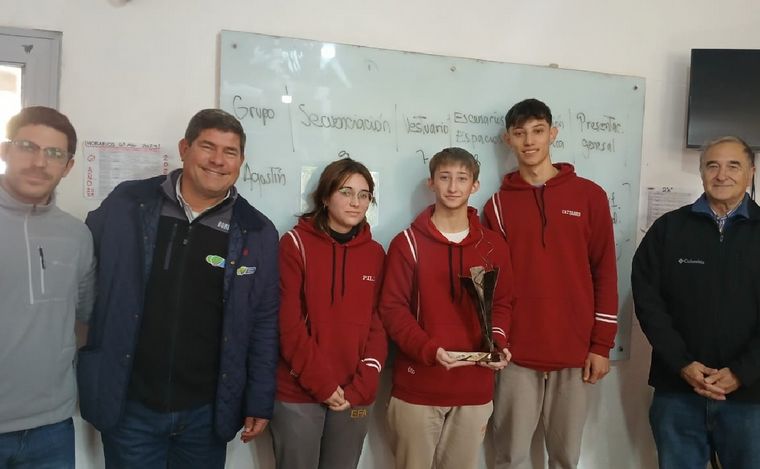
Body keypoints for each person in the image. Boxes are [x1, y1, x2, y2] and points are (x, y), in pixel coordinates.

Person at [77, 109, 280, 468]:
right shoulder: (129, 203)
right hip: (130, 405)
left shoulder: (256, 231)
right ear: (185, 148)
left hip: (206, 413)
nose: (218, 160)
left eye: (230, 152)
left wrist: (259, 398)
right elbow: (83, 269)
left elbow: (263, 321)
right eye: (207, 147)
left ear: (241, 161)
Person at [484, 98, 618, 469]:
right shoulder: (495, 206)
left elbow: (605, 270)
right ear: (507, 139)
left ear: (553, 134)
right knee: (509, 456)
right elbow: (493, 285)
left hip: (574, 353)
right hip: (516, 355)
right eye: (520, 133)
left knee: (565, 458)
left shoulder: (589, 196)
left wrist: (601, 345)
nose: (529, 141)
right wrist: (496, 340)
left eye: (538, 131)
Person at [380, 147, 513, 469]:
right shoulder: (407, 243)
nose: (453, 187)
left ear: (475, 186)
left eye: (462, 179)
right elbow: (392, 308)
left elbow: (503, 303)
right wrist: (427, 349)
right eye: (445, 178)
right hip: (418, 388)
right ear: (431, 183)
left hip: (474, 388)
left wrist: (497, 344)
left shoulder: (493, 245)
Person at [632, 136, 760, 469]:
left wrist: (742, 373)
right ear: (701, 172)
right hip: (677, 391)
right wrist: (683, 364)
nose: (722, 175)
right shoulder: (668, 230)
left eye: (734, 165)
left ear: (751, 172)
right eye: (712, 165)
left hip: (752, 398)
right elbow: (648, 304)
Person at [270, 158, 386, 469]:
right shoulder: (294, 244)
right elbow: (288, 324)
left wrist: (364, 384)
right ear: (325, 197)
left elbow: (378, 323)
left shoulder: (375, 254)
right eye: (346, 192)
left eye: (363, 195)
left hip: (354, 392)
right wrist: (321, 384)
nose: (355, 202)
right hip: (299, 391)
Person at [0, 106, 95, 468]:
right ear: (5, 150)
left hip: (51, 427)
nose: (40, 162)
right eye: (28, 147)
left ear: (68, 166)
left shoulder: (76, 235)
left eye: (54, 153)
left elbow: (85, 314)